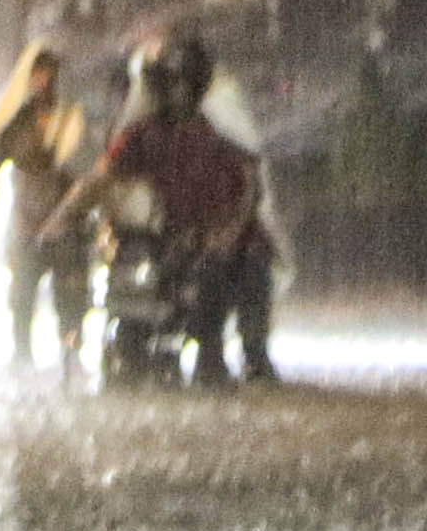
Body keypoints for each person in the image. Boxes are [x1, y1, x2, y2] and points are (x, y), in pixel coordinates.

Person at [63, 30, 279, 383]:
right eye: (170, 83)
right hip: (160, 235)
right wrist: (66, 217)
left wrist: (224, 234)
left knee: (250, 260)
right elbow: (105, 175)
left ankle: (246, 352)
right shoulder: (142, 135)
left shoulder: (219, 134)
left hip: (217, 238)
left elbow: (247, 187)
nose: (177, 93)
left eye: (184, 83)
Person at [0, 41, 95, 375]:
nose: (44, 81)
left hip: (66, 221)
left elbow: (85, 169)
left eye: (49, 74)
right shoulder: (15, 124)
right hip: (27, 220)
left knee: (69, 296)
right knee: (23, 295)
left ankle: (71, 353)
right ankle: (22, 357)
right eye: (38, 74)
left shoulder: (71, 118)